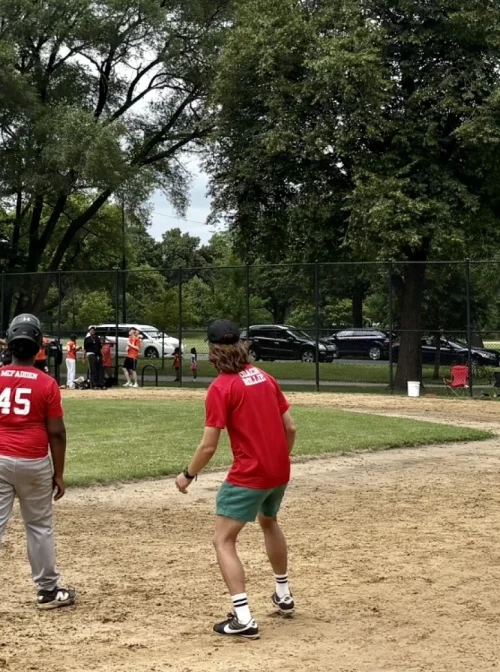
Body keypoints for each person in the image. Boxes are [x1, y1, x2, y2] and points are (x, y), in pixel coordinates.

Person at [175, 320, 296, 640]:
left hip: (250, 474)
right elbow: (291, 428)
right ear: (242, 345)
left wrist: (187, 475)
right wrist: (282, 458)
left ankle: (243, 618)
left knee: (223, 540)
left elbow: (209, 445)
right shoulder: (265, 377)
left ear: (212, 351)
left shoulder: (221, 387)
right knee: (269, 521)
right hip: (279, 469)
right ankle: (283, 595)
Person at [0, 313, 76, 609]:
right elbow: (56, 432)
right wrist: (59, 473)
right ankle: (47, 590)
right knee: (39, 526)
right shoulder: (46, 384)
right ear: (37, 347)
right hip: (33, 462)